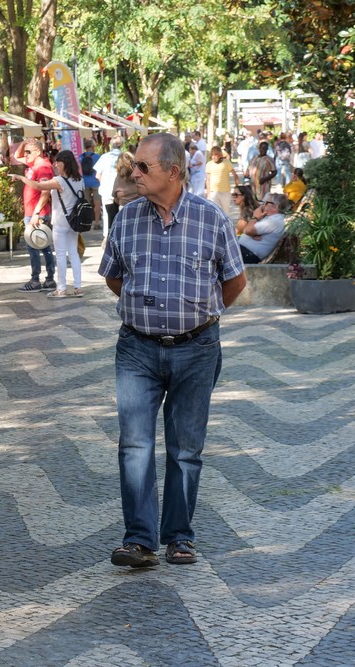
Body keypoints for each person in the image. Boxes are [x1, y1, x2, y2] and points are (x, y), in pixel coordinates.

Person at [98, 132, 247, 569]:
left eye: (143, 167)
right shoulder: (126, 219)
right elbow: (113, 277)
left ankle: (180, 537)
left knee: (185, 448)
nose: (134, 174)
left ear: (174, 172)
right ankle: (139, 540)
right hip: (137, 350)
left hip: (197, 348)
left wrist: (201, 313)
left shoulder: (210, 219)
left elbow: (235, 281)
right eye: (133, 167)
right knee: (134, 445)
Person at [15, 149, 85, 298]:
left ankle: (61, 288)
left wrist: (22, 178)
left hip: (60, 222)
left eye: (58, 162)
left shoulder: (59, 181)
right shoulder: (79, 180)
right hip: (74, 222)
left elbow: (39, 187)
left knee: (60, 255)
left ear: (64, 163)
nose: (55, 165)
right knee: (73, 253)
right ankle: (78, 287)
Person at [12, 139, 57, 292]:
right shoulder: (34, 164)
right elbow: (16, 156)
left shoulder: (43, 167)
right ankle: (49, 279)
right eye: (26, 151)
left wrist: (37, 213)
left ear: (38, 152)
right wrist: (24, 143)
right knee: (43, 246)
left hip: (37, 213)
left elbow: (45, 191)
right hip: (31, 212)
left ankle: (36, 279)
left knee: (35, 246)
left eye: (29, 152)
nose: (25, 155)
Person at [238, 192, 288, 263]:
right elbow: (249, 231)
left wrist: (255, 217)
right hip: (243, 251)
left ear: (276, 206)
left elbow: (247, 231)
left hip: (247, 254)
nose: (263, 206)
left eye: (266, 203)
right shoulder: (270, 218)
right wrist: (252, 234)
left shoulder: (275, 221)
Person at [96, 136, 125, 234]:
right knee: (121, 213)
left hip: (106, 190)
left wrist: (104, 184)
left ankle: (107, 236)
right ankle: (119, 234)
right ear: (122, 145)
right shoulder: (125, 157)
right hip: (122, 190)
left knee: (106, 214)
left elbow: (97, 175)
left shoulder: (104, 157)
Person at [205, 146, 239, 215]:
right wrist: (208, 194)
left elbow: (235, 175)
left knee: (225, 213)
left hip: (225, 192)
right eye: (212, 155)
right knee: (215, 213)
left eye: (215, 154)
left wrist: (237, 188)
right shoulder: (209, 164)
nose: (213, 157)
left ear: (220, 155)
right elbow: (208, 180)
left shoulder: (226, 163)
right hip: (213, 192)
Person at [79, 138, 102, 229]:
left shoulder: (80, 157)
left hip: (84, 183)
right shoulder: (97, 157)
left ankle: (87, 223)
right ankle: (96, 223)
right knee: (97, 203)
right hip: (95, 182)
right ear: (92, 147)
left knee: (86, 204)